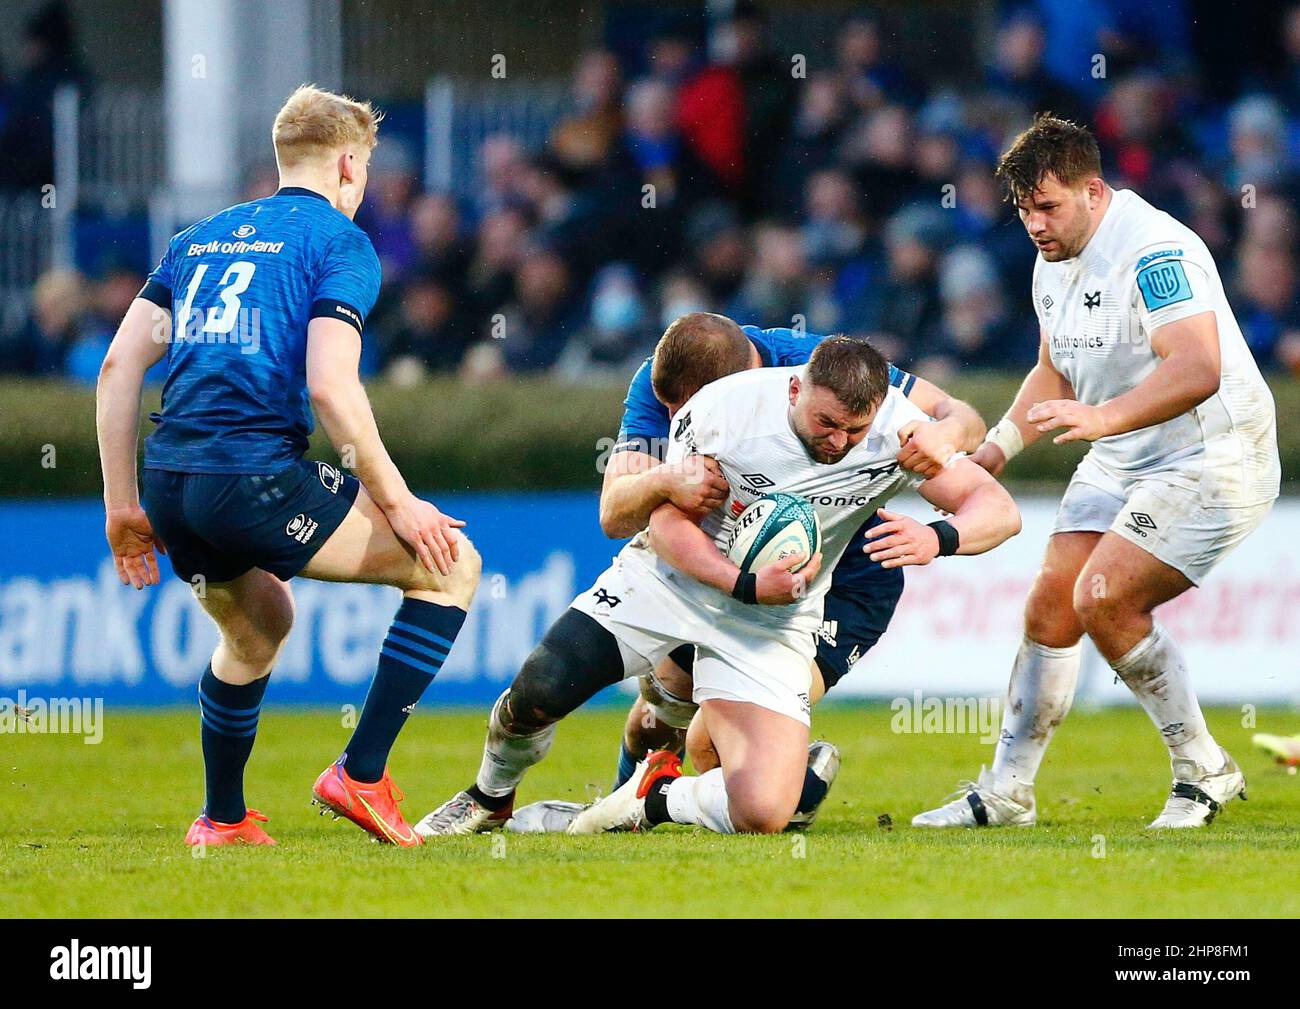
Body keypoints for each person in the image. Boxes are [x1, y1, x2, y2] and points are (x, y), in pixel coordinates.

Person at [417, 335, 1020, 836]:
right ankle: (490, 796)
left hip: (776, 618)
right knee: (540, 691)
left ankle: (652, 799)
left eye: (854, 431)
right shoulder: (723, 410)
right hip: (673, 582)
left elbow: (997, 509)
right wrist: (744, 582)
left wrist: (940, 537)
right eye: (826, 423)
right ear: (794, 388)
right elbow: (666, 527)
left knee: (762, 812)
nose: (838, 443)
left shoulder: (897, 431)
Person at [95, 85, 479, 848]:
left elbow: (116, 368)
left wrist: (121, 506)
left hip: (170, 484)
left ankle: (223, 819)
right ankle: (362, 774)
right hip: (251, 476)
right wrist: (396, 501)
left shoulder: (198, 237)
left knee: (258, 626)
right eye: (364, 168)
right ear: (347, 163)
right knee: (450, 565)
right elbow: (331, 385)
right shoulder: (339, 241)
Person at [913, 114, 1280, 831]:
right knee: (1051, 604)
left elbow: (1198, 366)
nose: (1035, 225)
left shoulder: (1153, 250)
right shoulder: (1050, 258)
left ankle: (1202, 767)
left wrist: (1105, 420)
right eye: (1023, 211)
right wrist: (994, 450)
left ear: (1094, 190)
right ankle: (1008, 791)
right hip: (1124, 450)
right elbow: (1053, 370)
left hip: (1212, 453)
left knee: (1103, 597)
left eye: (1048, 206)